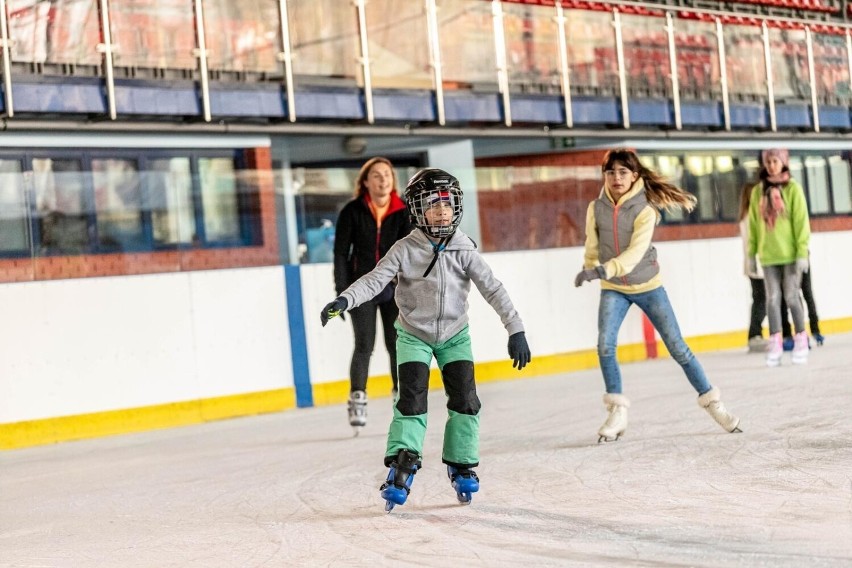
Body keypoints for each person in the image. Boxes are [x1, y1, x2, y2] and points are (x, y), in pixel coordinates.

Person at [320, 168, 531, 511]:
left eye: (448, 205)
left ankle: (461, 464)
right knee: (411, 400)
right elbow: (375, 280)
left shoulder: (464, 249)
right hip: (413, 335)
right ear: (418, 210)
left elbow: (493, 289)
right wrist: (344, 299)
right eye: (433, 205)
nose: (442, 211)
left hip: (454, 336)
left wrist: (516, 328)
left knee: (466, 399)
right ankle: (402, 465)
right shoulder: (405, 249)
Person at [574, 148, 741, 443]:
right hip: (614, 288)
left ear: (635, 176)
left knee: (677, 347)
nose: (616, 178)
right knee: (605, 346)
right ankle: (617, 412)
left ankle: (714, 404)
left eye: (623, 172)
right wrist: (589, 267)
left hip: (648, 286)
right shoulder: (595, 208)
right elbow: (592, 245)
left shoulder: (645, 211)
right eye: (611, 172)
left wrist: (601, 271)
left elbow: (634, 254)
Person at [332, 157, 413, 433]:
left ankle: (401, 398)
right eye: (376, 175)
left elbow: (410, 253)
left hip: (394, 288)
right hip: (362, 288)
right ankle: (358, 398)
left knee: (397, 344)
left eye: (387, 175)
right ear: (365, 181)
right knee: (364, 344)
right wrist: (342, 292)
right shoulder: (352, 212)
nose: (383, 180)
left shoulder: (404, 211)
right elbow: (341, 254)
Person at [747, 148, 811, 367]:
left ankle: (801, 339)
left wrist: (802, 252)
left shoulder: (792, 188)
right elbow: (753, 225)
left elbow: (801, 222)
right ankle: (776, 342)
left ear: (783, 162)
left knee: (792, 297)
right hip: (768, 255)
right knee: (772, 299)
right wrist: (751, 254)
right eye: (768, 161)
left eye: (775, 161)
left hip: (791, 254)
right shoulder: (758, 192)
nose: (772, 165)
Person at [738, 183, 768, 353]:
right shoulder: (750, 216)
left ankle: (755, 333)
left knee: (759, 299)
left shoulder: (746, 216)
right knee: (761, 300)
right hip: (756, 265)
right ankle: (755, 333)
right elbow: (752, 243)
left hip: (753, 265)